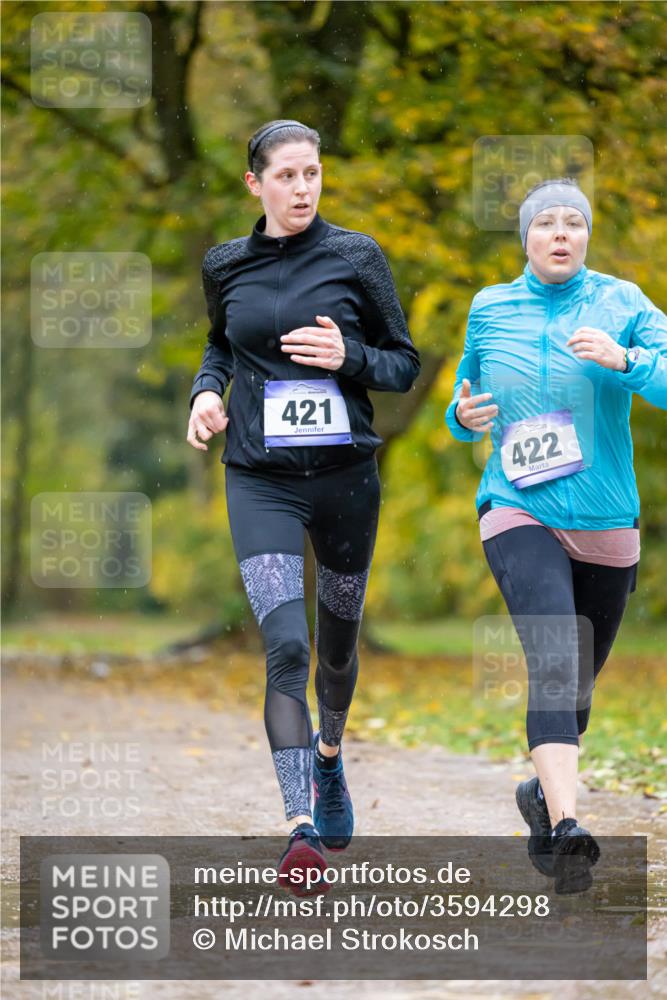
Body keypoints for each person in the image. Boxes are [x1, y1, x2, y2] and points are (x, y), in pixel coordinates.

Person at [187, 119, 420, 894]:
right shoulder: (225, 263)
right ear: (254, 183)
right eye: (285, 176)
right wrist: (204, 395)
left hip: (345, 479)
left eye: (312, 174)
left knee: (337, 648)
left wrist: (347, 357)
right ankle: (300, 831)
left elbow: (402, 364)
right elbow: (219, 346)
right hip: (260, 478)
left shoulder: (356, 256)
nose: (301, 189)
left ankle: (328, 757)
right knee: (286, 641)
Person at [446, 177, 667, 893]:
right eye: (547, 222)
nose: (561, 233)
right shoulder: (489, 306)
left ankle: (540, 799)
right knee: (554, 658)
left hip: (605, 518)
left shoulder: (623, 303)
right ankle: (570, 825)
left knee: (576, 688)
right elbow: (463, 400)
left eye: (574, 222)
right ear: (527, 238)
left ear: (586, 236)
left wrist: (626, 363)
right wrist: (463, 418)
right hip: (517, 508)